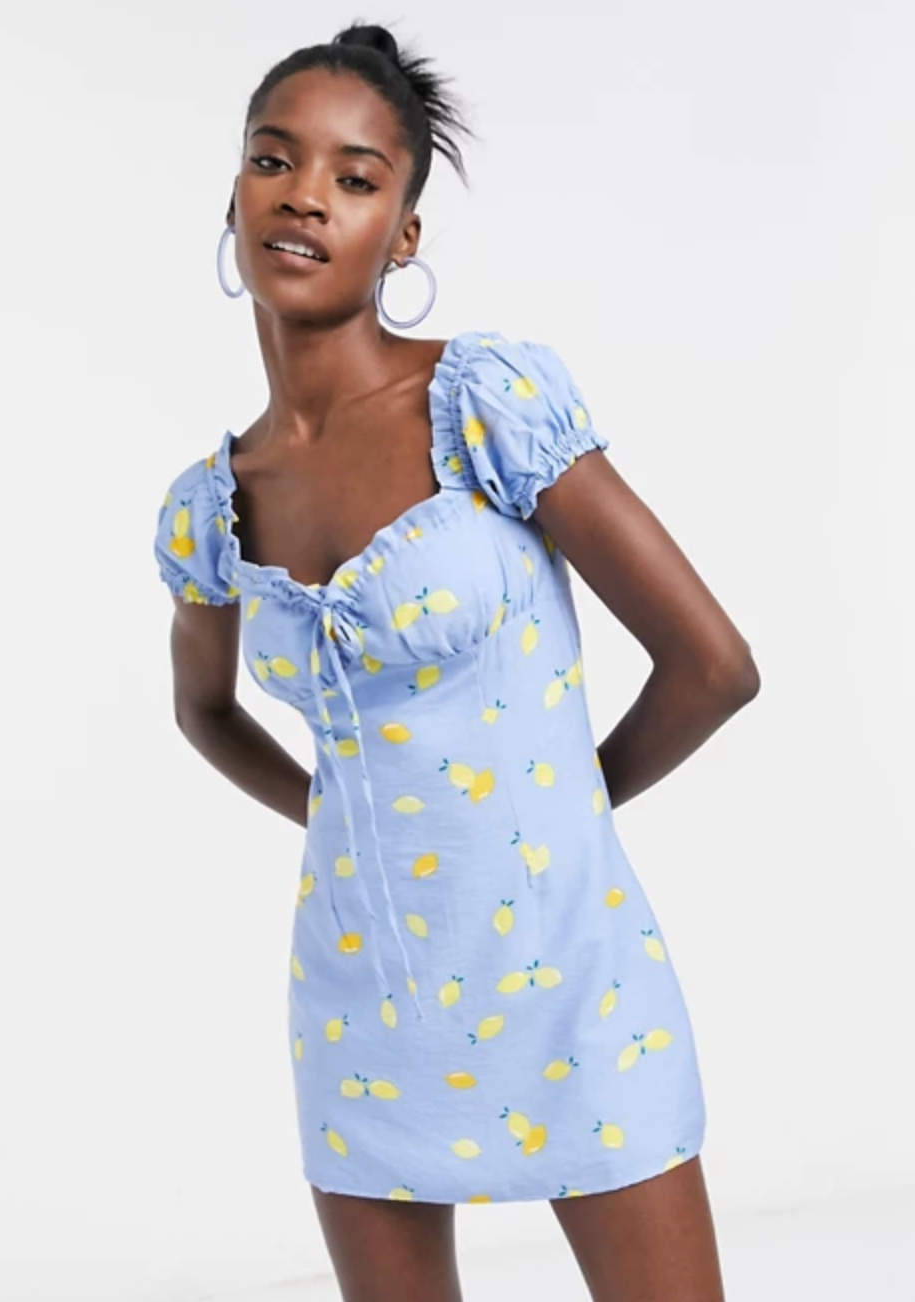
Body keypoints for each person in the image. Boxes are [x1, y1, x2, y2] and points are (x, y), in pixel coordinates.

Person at [153, 20, 758, 1302]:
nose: (305, 194)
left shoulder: (484, 403)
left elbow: (712, 664)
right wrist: (334, 812)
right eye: (273, 159)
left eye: (356, 176)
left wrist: (556, 815)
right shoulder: (213, 505)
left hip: (570, 979)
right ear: (234, 194)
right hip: (361, 997)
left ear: (404, 234)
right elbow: (203, 710)